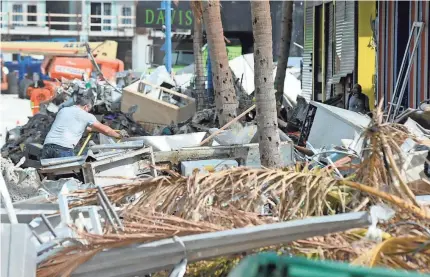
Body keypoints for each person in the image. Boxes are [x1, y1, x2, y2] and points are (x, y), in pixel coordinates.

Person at [41, 94, 125, 159]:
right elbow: (106, 130)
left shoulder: (63, 110)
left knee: (48, 177)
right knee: (67, 177)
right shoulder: (86, 115)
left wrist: (94, 130)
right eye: (89, 109)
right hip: (63, 149)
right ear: (86, 106)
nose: (89, 111)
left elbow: (77, 127)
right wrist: (119, 135)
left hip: (47, 146)